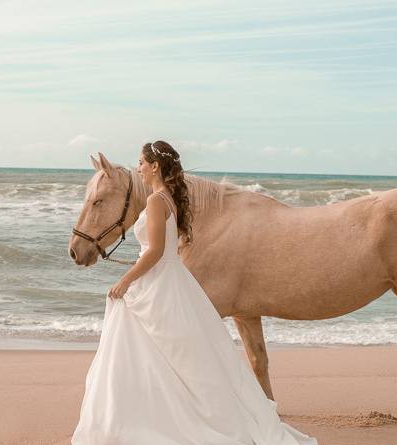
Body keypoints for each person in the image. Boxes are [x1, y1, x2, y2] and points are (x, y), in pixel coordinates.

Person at [71, 140, 318, 444]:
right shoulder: (167, 199)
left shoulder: (156, 201)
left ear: (155, 167)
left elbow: (157, 251)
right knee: (171, 353)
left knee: (155, 350)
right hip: (168, 279)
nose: (138, 168)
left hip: (159, 281)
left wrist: (126, 280)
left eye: (141, 163)